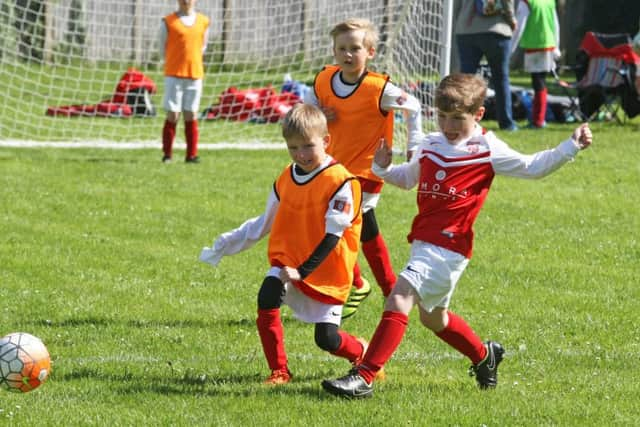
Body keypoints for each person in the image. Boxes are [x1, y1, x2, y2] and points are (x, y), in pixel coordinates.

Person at [321, 73, 592, 398]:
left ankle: (365, 375)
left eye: (458, 119)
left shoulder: (486, 147)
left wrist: (570, 145)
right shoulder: (432, 143)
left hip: (450, 245)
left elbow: (532, 166)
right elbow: (408, 179)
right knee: (434, 319)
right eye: (443, 117)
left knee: (399, 297)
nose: (449, 126)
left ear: (477, 115)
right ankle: (484, 355)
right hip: (423, 241)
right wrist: (381, 169)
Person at [199, 103, 383, 385]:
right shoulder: (287, 176)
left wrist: (304, 271)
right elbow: (264, 222)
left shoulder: (341, 181)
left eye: (308, 146)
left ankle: (362, 352)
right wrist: (227, 243)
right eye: (293, 148)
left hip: (328, 272)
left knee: (327, 339)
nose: (300, 154)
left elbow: (333, 236)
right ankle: (279, 371)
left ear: (326, 141)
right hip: (289, 262)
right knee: (267, 295)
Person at [304, 18, 424, 319]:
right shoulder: (323, 80)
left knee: (337, 225)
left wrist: (415, 147)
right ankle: (381, 288)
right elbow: (304, 112)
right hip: (333, 170)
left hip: (367, 172)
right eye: (341, 48)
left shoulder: (378, 87)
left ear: (369, 52)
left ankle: (358, 286)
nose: (347, 54)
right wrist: (318, 114)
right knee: (362, 229)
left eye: (354, 48)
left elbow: (415, 107)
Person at [454, 0, 519, 131]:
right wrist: (512, 19)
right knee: (501, 79)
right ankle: (506, 123)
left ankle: (461, 119)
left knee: (466, 81)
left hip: (466, 29)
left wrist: (460, 21)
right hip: (497, 29)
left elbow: (456, 6)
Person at [159, 0, 209, 163]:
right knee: (173, 114)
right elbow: (162, 47)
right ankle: (167, 155)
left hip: (194, 74)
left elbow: (203, 46)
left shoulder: (203, 21)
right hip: (174, 74)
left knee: (191, 113)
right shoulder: (168, 21)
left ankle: (191, 155)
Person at [511, 0, 560, 128]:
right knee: (540, 82)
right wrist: (556, 46)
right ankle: (539, 119)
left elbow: (519, 26)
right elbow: (556, 25)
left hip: (535, 46)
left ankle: (538, 120)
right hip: (548, 44)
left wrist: (510, 48)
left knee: (538, 83)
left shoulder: (527, 2)